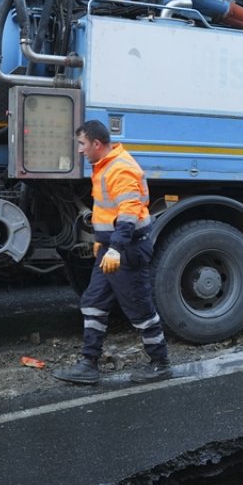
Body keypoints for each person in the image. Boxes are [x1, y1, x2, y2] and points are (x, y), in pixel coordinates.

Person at [53, 120, 172, 385]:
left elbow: (129, 212)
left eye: (82, 144)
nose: (81, 150)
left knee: (139, 309)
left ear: (96, 144)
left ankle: (161, 363)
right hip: (112, 249)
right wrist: (103, 243)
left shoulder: (120, 168)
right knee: (93, 302)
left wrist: (115, 247)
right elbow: (109, 213)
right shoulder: (105, 166)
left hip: (126, 250)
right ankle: (88, 364)